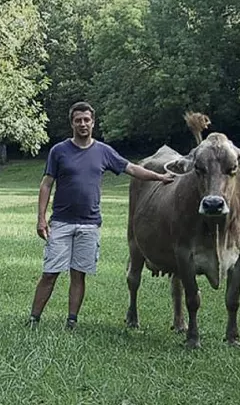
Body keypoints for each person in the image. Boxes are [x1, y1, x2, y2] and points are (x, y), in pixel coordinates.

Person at [28, 101, 174, 330]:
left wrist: (159, 178)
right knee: (50, 273)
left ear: (93, 123)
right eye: (78, 120)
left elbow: (132, 169)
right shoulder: (59, 151)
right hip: (62, 223)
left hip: (89, 224)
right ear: (72, 124)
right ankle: (34, 318)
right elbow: (46, 184)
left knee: (78, 275)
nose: (83, 124)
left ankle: (72, 321)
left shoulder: (103, 151)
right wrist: (41, 218)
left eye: (87, 120)